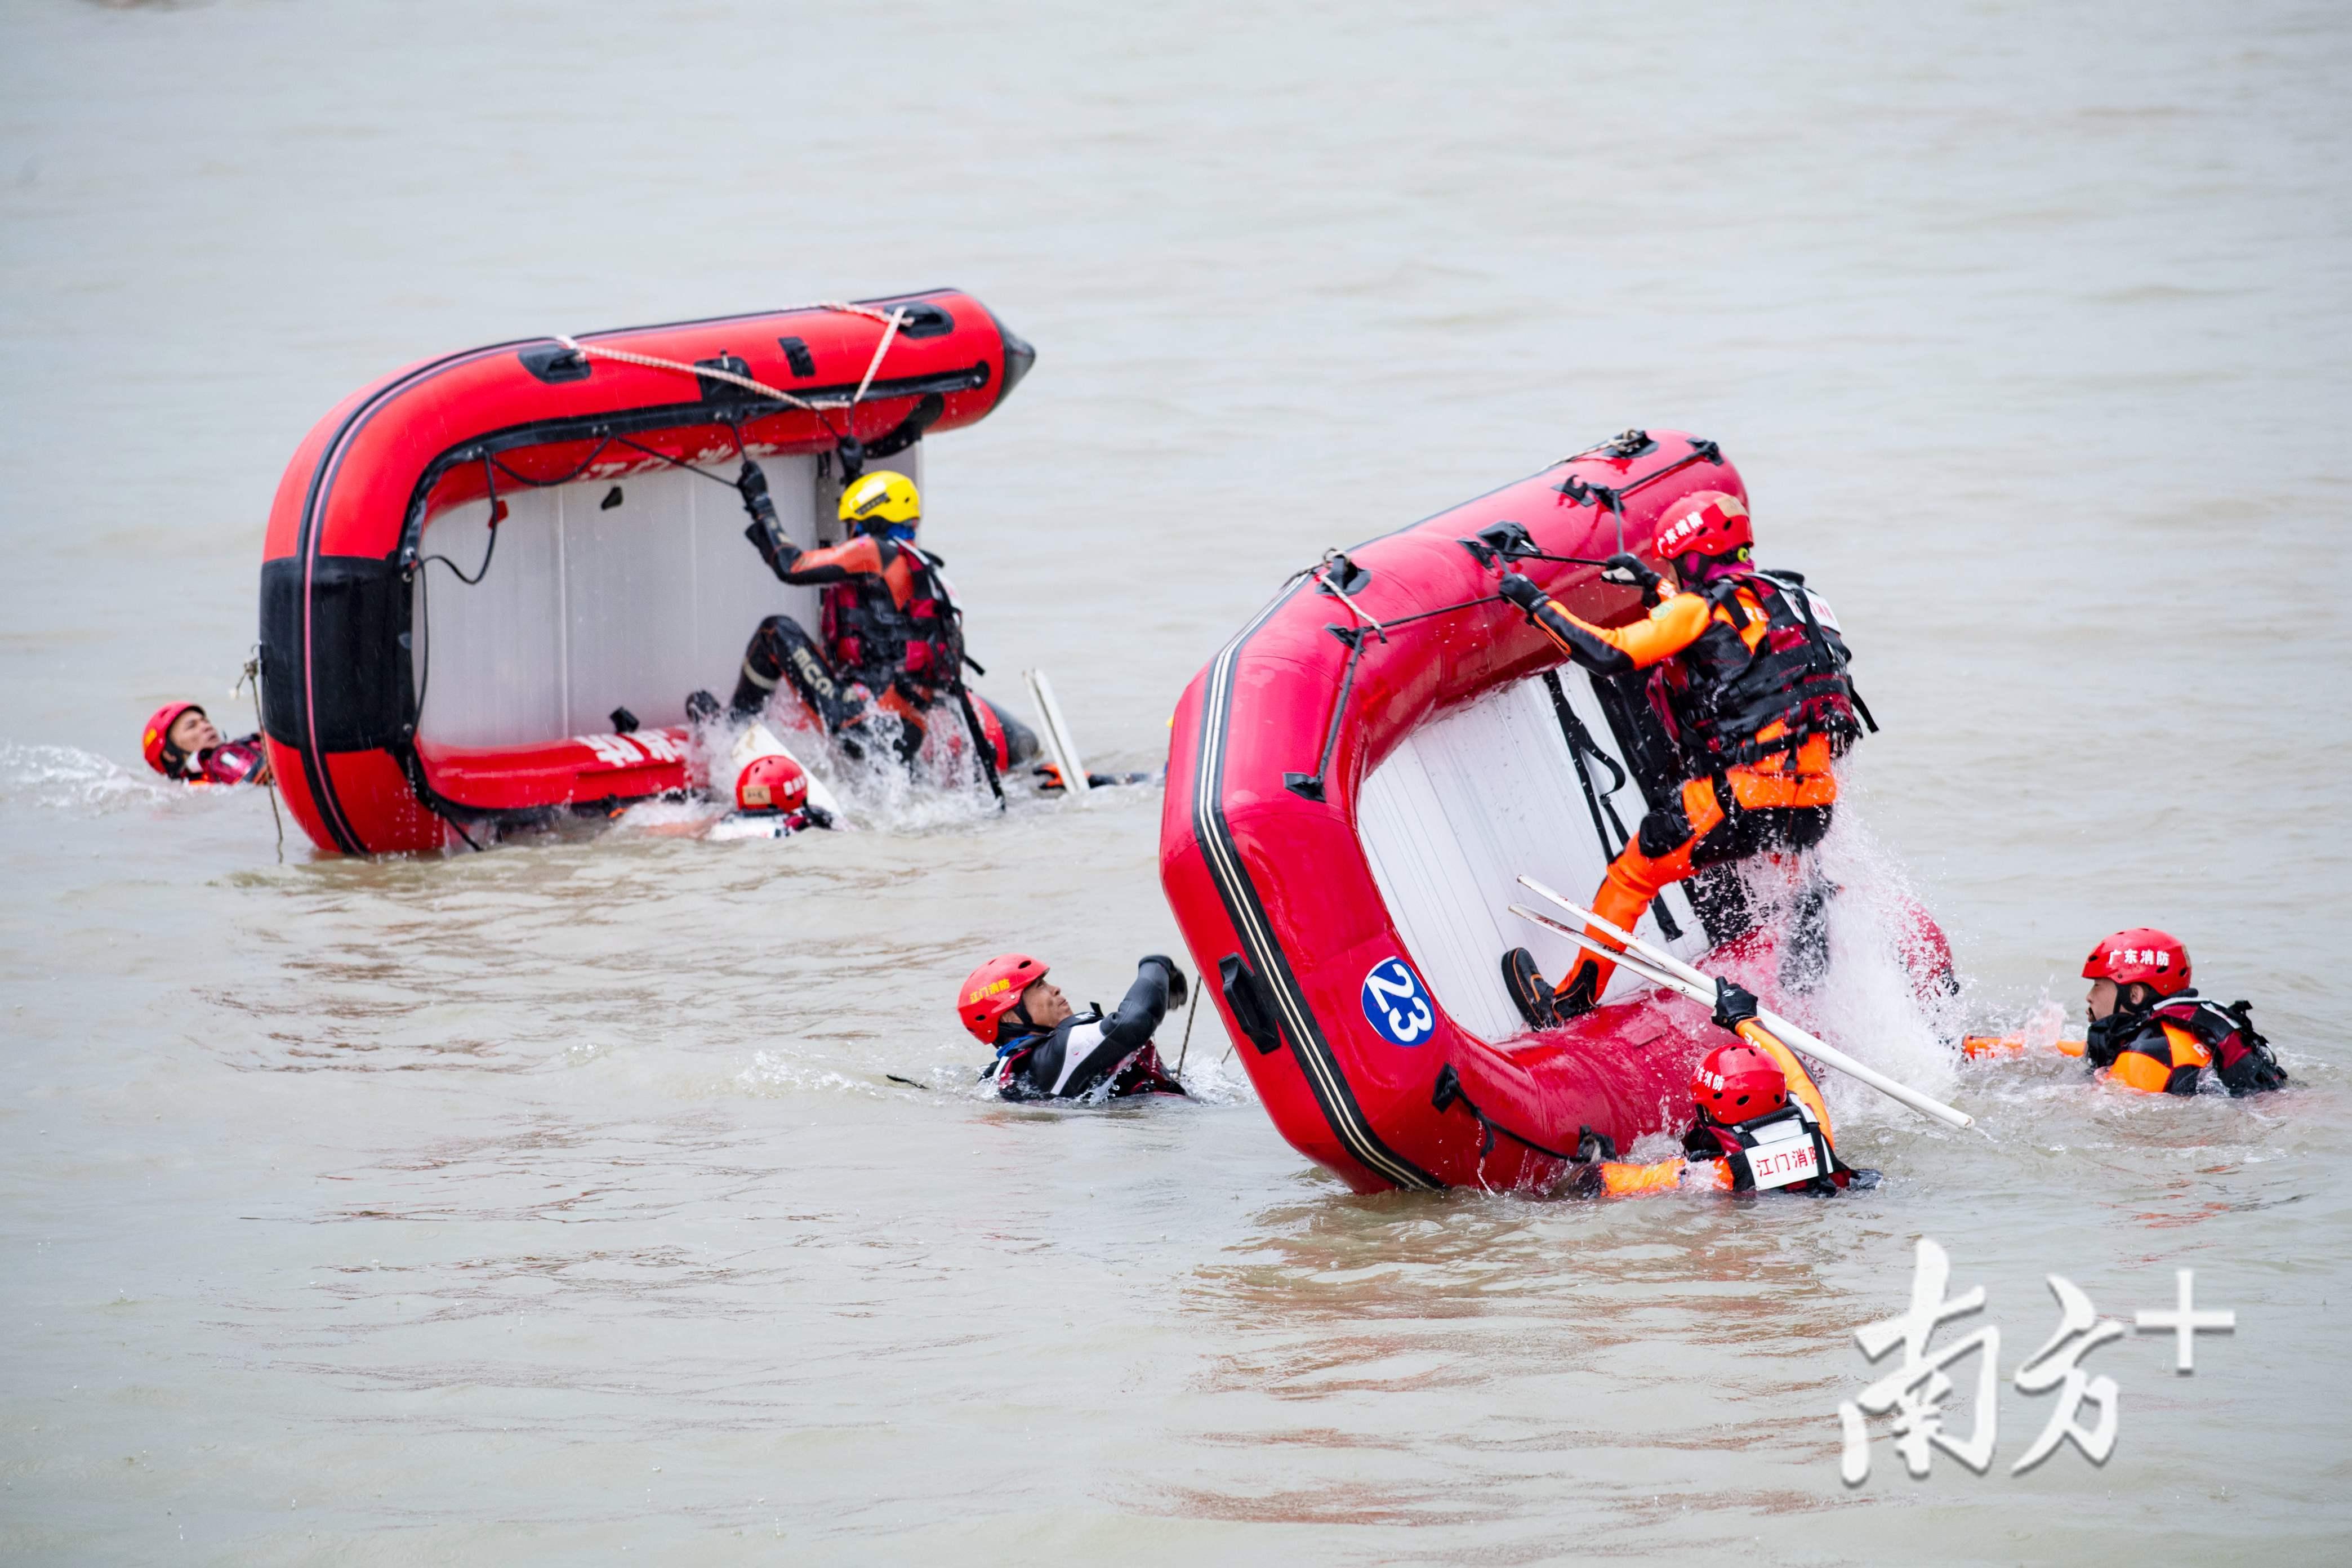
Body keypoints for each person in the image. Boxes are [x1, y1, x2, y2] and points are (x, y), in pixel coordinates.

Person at [1494, 491, 1867, 1024]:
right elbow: (1733, 640)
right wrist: (1653, 588)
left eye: (1675, 563)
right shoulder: (1792, 598)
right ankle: (1812, 977)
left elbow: (1609, 652)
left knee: (1633, 874)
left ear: (1693, 556)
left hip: (1743, 798)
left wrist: (1533, 601)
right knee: (1798, 871)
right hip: (1814, 806)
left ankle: (1570, 1002)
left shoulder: (1699, 608)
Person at [725, 461, 1036, 774]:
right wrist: (853, 474)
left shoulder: (873, 552)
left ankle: (732, 732)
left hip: (861, 719)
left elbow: (791, 566)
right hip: (905, 734)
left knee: (775, 631)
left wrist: (761, 505)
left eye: (852, 522)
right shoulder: (927, 575)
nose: (849, 533)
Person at [1569, 979, 1874, 1196]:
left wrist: (1592, 1165)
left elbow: (1604, 1183)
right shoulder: (1817, 1132)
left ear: (1711, 1112)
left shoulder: (1717, 1174)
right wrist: (1744, 1020)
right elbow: (1797, 1071)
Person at [957, 952, 1190, 1101]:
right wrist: (1156, 964)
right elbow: (1132, 1022)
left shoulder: (1031, 1067)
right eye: (1039, 986)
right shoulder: (1057, 1053)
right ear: (1010, 1017)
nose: (1055, 989)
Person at [2081, 928, 2285, 1095]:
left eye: (2098, 986)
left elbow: (2106, 1108)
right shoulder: (2180, 1031)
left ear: (2134, 995)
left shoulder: (2145, 1053)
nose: (2089, 997)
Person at [141, 702, 270, 786]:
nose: (206, 726)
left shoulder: (245, 743)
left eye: (205, 721)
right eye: (191, 726)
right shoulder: (220, 757)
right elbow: (255, 779)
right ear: (169, 755)